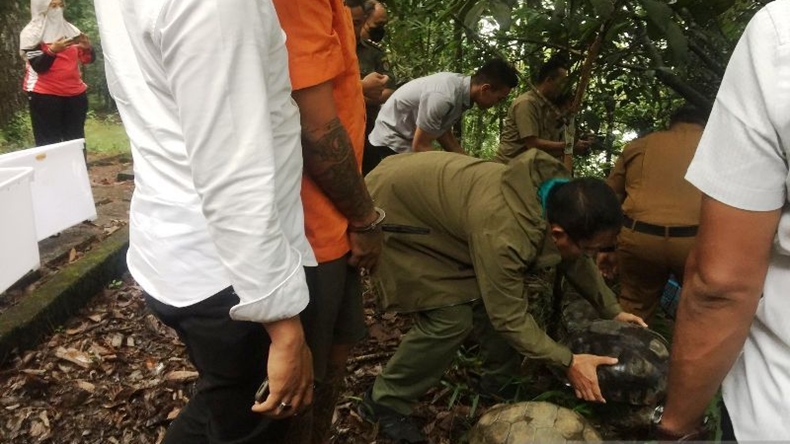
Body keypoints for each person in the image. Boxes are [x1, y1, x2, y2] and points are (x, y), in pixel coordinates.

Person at [93, 1, 315, 442]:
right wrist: (283, 324)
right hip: (230, 277)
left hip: (173, 243)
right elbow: (233, 173)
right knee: (248, 426)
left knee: (222, 403)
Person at [358, 149, 646, 443]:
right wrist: (568, 361)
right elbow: (508, 317)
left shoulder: (562, 199)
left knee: (491, 297)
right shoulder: (505, 233)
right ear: (558, 234)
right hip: (393, 211)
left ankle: (500, 383)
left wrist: (612, 309)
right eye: (590, 249)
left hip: (430, 204)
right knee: (448, 319)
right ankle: (384, 402)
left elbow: (576, 258)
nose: (592, 256)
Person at [657, 1, 790, 441]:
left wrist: (678, 424)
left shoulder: (779, 31)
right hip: (682, 244)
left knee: (644, 292)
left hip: (774, 411)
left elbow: (720, 282)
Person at [271, 0, 384, 442]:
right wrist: (366, 219)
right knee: (301, 376)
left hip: (333, 220)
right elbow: (315, 129)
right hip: (308, 229)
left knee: (335, 354)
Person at [599, 105, 707, 324]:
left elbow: (608, 198)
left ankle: (623, 356)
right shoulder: (720, 147)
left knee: (633, 307)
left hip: (640, 239)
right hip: (695, 243)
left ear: (671, 125)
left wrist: (606, 247)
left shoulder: (640, 145)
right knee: (701, 311)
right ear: (706, 125)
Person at [365, 59, 518, 169]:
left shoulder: (461, 91)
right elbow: (420, 145)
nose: (497, 103)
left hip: (406, 143)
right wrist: (453, 166)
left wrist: (471, 164)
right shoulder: (444, 96)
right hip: (389, 143)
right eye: (499, 99)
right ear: (485, 89)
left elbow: (443, 133)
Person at [20, 0, 94, 147]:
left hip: (75, 94)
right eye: (53, 6)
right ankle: (51, 170)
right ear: (41, 7)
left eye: (61, 5)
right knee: (49, 143)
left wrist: (87, 49)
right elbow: (39, 66)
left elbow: (87, 60)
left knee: (76, 141)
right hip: (45, 95)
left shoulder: (71, 31)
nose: (58, 9)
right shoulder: (32, 35)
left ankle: (77, 170)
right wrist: (52, 51)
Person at [494, 55, 589, 164]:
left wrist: (578, 144)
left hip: (529, 170)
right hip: (507, 169)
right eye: (562, 82)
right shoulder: (526, 103)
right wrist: (569, 146)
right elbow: (533, 145)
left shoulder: (551, 108)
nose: (564, 87)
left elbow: (548, 150)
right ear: (549, 80)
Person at [352, 0, 400, 175]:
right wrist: (361, 90)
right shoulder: (336, 47)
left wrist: (356, 96)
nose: (381, 28)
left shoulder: (375, 53)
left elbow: (389, 91)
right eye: (378, 23)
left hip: (367, 129)